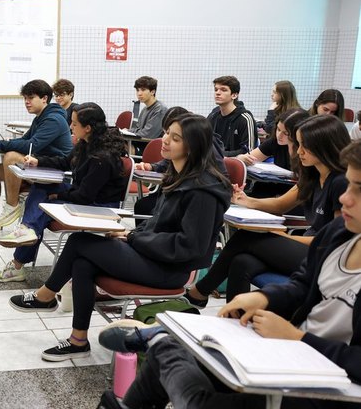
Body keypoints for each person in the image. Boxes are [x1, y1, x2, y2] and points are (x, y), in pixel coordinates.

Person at [97, 138, 361, 409]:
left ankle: (164, 340)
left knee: (193, 391)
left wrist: (297, 337)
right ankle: (166, 342)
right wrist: (265, 298)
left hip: (330, 381)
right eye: (349, 185)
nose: (344, 197)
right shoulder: (339, 234)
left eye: (359, 189)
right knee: (195, 351)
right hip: (293, 356)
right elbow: (302, 285)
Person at [7, 114, 231, 361]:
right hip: (154, 255)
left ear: (193, 147)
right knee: (82, 263)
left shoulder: (202, 192)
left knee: (80, 241)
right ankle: (78, 340)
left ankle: (46, 295)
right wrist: (130, 235)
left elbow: (188, 246)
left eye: (175, 138)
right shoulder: (179, 176)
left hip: (171, 269)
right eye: (167, 133)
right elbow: (157, 224)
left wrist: (134, 239)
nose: (165, 140)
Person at [185, 114, 350, 305]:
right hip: (307, 248)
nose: (299, 151)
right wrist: (246, 200)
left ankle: (199, 292)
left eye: (305, 146)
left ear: (324, 146)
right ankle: (233, 318)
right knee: (241, 262)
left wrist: (284, 237)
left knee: (246, 237)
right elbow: (280, 205)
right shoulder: (313, 174)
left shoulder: (341, 182)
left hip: (325, 257)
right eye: (298, 144)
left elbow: (335, 241)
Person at [0, 103, 128, 282]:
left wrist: (58, 196)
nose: (70, 127)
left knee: (43, 207)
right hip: (84, 194)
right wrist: (38, 161)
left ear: (88, 128)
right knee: (41, 186)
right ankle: (27, 230)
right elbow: (65, 162)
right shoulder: (85, 144)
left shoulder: (102, 158)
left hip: (100, 205)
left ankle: (19, 258)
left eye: (74, 124)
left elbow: (84, 196)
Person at [0, 80, 72, 235]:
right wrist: (3, 144)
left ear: (44, 98)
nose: (27, 102)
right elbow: (25, 140)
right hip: (41, 165)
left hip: (56, 170)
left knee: (12, 157)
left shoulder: (53, 119)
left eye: (31, 98)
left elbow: (31, 145)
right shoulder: (41, 117)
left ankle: (12, 205)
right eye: (25, 98)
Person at [238, 109, 309, 198]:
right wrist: (241, 158)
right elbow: (249, 157)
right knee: (260, 188)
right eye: (278, 129)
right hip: (277, 187)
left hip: (298, 192)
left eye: (286, 133)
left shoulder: (308, 150)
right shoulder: (275, 142)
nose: (279, 135)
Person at [207, 75, 257, 157]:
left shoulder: (245, 118)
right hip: (216, 160)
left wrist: (220, 155)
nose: (217, 93)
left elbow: (249, 151)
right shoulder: (213, 115)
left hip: (236, 162)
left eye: (223, 90)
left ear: (234, 95)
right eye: (216, 89)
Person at [130, 76, 168, 156]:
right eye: (137, 90)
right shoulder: (145, 109)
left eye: (143, 90)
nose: (139, 93)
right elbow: (138, 129)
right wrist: (127, 131)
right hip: (141, 144)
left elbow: (148, 135)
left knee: (118, 148)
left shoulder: (160, 109)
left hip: (150, 148)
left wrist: (129, 132)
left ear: (152, 92)